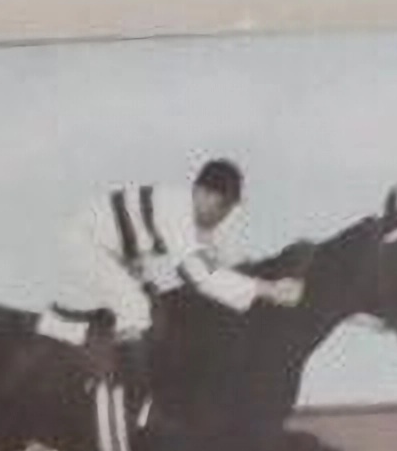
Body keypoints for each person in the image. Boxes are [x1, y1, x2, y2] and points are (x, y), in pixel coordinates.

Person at [54, 159, 305, 417]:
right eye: (222, 205)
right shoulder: (176, 211)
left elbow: (222, 263)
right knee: (135, 307)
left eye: (230, 208)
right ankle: (128, 399)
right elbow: (195, 274)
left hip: (116, 250)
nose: (225, 215)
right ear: (201, 193)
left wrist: (269, 282)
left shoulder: (197, 219)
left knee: (152, 304)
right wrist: (267, 289)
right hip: (86, 242)